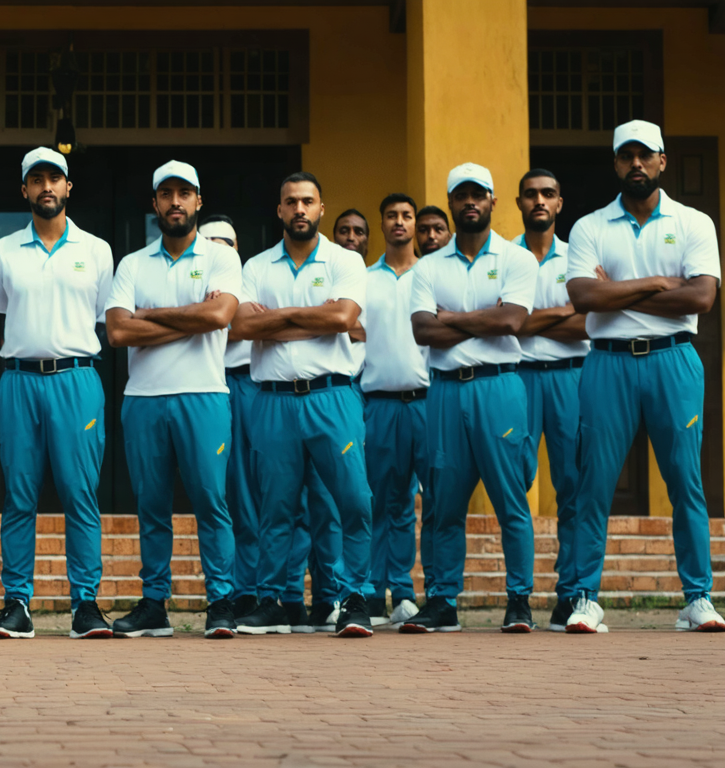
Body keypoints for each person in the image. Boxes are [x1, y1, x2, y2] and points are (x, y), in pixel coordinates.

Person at [565, 119, 725, 633]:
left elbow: (701, 297)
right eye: (626, 156)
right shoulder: (590, 227)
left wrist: (622, 291)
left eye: (645, 155)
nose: (636, 163)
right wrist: (659, 282)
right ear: (615, 164)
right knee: (594, 483)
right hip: (607, 360)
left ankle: (697, 597)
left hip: (673, 358)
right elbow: (584, 298)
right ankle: (586, 597)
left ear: (662, 161)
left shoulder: (694, 221)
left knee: (685, 480)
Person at [229, 171, 376, 638]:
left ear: (321, 209)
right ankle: (271, 600)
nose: (299, 209)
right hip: (272, 401)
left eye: (307, 201)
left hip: (332, 396)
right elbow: (241, 328)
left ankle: (352, 598)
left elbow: (343, 316)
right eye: (290, 201)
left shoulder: (345, 260)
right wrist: (316, 318)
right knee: (275, 507)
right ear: (279, 210)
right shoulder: (256, 266)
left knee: (352, 501)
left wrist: (276, 319)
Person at [0, 147, 114, 640]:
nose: (46, 187)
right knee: (19, 496)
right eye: (36, 180)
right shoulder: (2, 251)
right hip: (18, 381)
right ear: (25, 190)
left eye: (54, 178)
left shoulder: (96, 250)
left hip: (77, 378)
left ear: (68, 187)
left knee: (81, 494)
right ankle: (17, 604)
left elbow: (105, 316)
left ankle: (86, 605)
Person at [105, 160, 241, 639]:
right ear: (155, 203)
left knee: (211, 502)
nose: (176, 202)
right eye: (167, 194)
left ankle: (221, 601)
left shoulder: (221, 258)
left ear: (198, 201)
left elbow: (220, 314)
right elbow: (120, 330)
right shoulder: (133, 263)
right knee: (152, 506)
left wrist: (153, 317)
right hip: (144, 398)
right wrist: (191, 315)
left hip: (203, 394)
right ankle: (154, 604)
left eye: (185, 194)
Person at [405, 162, 538, 634]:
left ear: (492, 201)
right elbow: (423, 330)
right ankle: (442, 601)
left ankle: (519, 599)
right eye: (461, 196)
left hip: (499, 386)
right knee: (443, 503)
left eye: (478, 194)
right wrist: (483, 316)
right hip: (443, 391)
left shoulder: (517, 259)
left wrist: (453, 319)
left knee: (511, 500)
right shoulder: (428, 265)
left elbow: (511, 323)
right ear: (452, 202)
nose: (470, 203)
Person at [511, 169, 589, 632]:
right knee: (512, 485)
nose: (540, 201)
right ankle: (518, 596)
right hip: (516, 379)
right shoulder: (502, 256)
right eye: (531, 194)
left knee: (574, 489)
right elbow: (502, 323)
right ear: (519, 202)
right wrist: (566, 312)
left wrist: (526, 320)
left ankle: (571, 595)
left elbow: (591, 323)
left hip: (570, 378)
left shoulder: (579, 256)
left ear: (560, 202)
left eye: (548, 194)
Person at [360, 193, 433, 628]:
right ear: (382, 224)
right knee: (375, 501)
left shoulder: (430, 276)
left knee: (411, 501)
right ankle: (371, 590)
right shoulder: (365, 279)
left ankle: (404, 591)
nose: (400, 223)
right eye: (392, 216)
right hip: (378, 401)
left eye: (407, 216)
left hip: (424, 401)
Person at [205, 214, 261, 621]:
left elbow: (243, 323)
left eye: (229, 241)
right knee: (215, 496)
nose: (221, 248)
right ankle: (224, 590)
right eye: (212, 242)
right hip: (203, 389)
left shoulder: (252, 278)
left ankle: (250, 589)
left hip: (247, 388)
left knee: (249, 493)